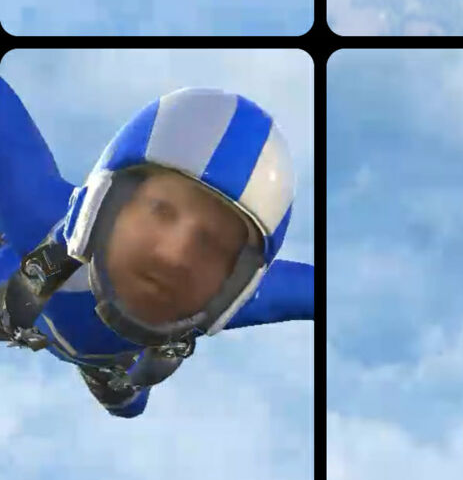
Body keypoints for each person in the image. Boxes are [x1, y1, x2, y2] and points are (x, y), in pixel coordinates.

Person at [0, 77, 313, 418]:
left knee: (127, 404)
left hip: (59, 304)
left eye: (209, 245)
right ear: (100, 204)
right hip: (50, 292)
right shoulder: (36, 211)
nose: (171, 255)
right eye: (160, 211)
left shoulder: (36, 210)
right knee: (126, 401)